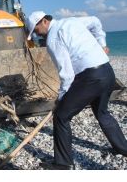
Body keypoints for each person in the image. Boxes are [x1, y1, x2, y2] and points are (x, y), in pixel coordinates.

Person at [26, 11, 127, 169]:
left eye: (35, 30)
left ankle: (63, 164)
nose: (36, 34)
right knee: (102, 113)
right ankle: (123, 148)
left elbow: (66, 74)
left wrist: (61, 99)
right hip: (107, 72)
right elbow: (95, 21)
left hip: (91, 78)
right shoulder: (72, 21)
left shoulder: (53, 39)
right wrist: (102, 44)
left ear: (44, 21)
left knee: (61, 117)